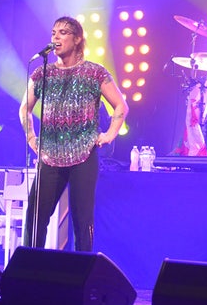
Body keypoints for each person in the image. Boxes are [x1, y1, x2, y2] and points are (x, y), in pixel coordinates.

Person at [19, 16, 129, 252]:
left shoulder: (94, 72)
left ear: (77, 39)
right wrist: (31, 137)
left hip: (84, 154)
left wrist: (109, 134)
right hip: (49, 155)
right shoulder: (42, 73)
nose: (55, 37)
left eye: (63, 33)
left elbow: (120, 106)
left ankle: (82, 273)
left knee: (82, 220)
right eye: (53, 33)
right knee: (35, 217)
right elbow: (24, 108)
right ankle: (29, 269)